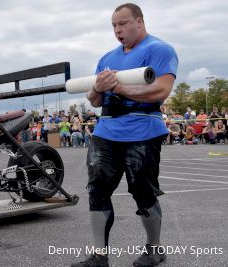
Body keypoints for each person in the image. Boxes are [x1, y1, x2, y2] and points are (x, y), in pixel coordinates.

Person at [72, 4, 178, 267]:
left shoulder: (159, 49)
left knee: (142, 189)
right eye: (114, 25)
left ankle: (154, 250)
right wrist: (97, 87)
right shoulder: (107, 58)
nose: (118, 30)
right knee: (97, 188)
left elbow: (160, 90)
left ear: (139, 22)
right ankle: (99, 256)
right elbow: (95, 101)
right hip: (106, 130)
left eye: (123, 23)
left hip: (143, 129)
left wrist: (117, 86)